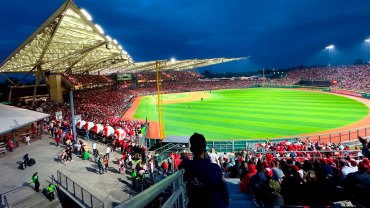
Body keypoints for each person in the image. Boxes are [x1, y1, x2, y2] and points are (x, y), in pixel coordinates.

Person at [179, 133, 229, 208]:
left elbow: (181, 166)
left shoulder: (187, 165)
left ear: (191, 149)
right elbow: (224, 192)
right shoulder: (215, 168)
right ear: (205, 147)